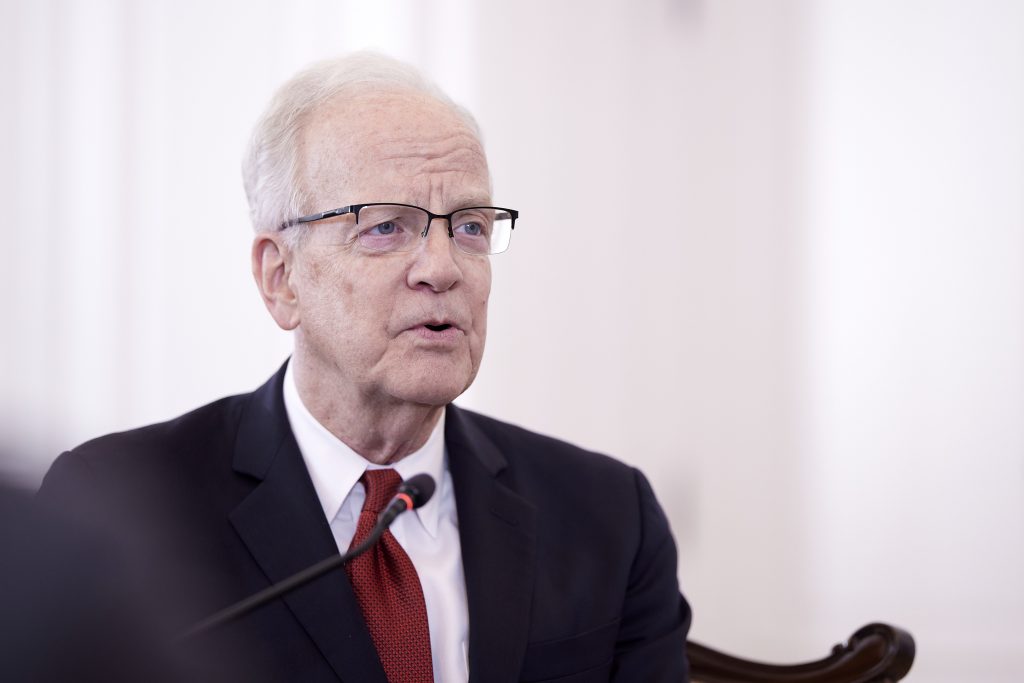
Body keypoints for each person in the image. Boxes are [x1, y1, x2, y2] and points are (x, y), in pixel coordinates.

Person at [38, 53, 691, 682]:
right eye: (385, 227)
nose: (442, 269)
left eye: (469, 227)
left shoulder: (609, 518)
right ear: (281, 278)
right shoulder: (117, 509)